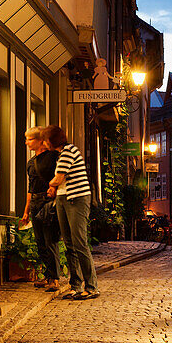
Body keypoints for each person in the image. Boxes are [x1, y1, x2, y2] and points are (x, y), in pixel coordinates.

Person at [43, 125, 99, 300]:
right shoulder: (61, 154)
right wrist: (54, 187)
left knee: (79, 242)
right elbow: (61, 179)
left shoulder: (69, 150)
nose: (44, 142)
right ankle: (75, 286)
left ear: (52, 140)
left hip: (76, 199)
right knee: (69, 244)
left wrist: (51, 185)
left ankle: (91, 287)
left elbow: (59, 178)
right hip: (63, 198)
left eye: (46, 139)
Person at [19, 127, 61, 291]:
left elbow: (61, 177)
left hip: (47, 201)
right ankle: (48, 275)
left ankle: (55, 278)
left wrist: (55, 191)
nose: (27, 142)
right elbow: (31, 188)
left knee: (50, 240)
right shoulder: (31, 163)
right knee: (40, 242)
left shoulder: (52, 157)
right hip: (35, 201)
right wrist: (26, 210)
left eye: (29, 139)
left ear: (39, 141)